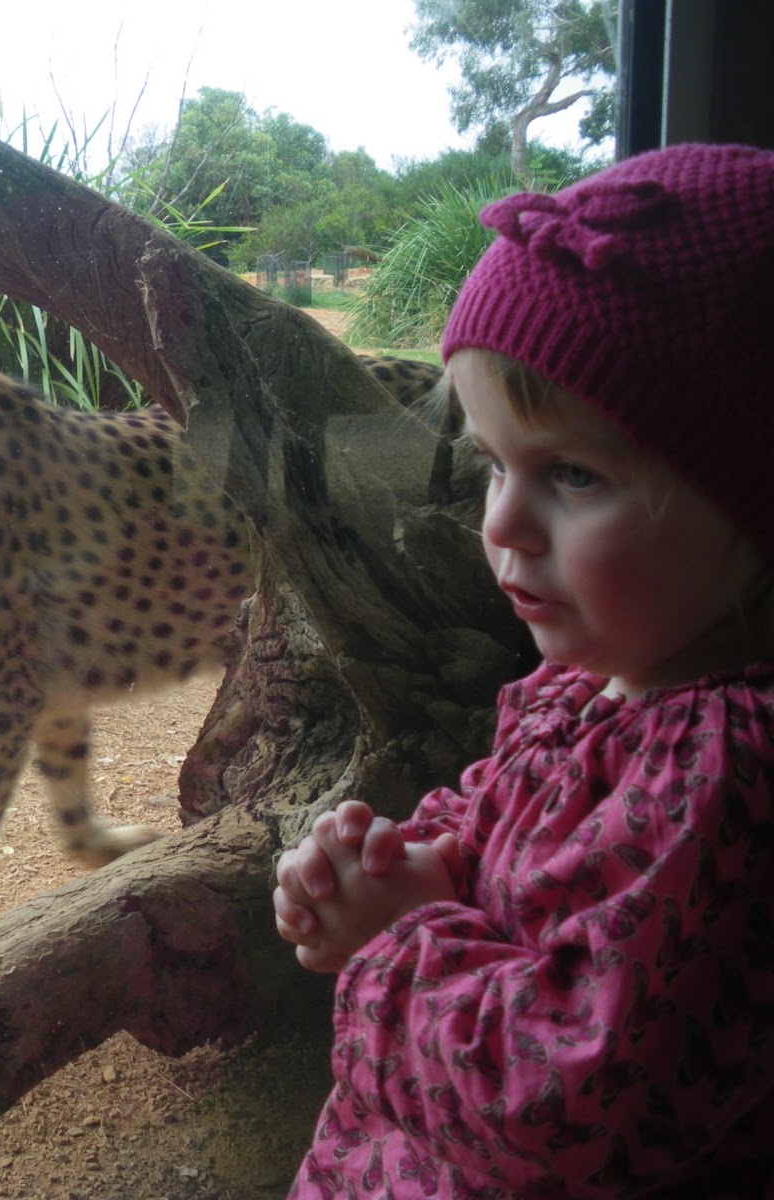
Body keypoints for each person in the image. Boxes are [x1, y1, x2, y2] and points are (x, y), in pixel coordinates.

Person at [272, 141, 774, 1197]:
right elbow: (510, 832)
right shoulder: (597, 684)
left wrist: (396, 936)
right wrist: (403, 859)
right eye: (495, 463)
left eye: (575, 475)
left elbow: (561, 1108)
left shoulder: (724, 779)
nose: (499, 523)